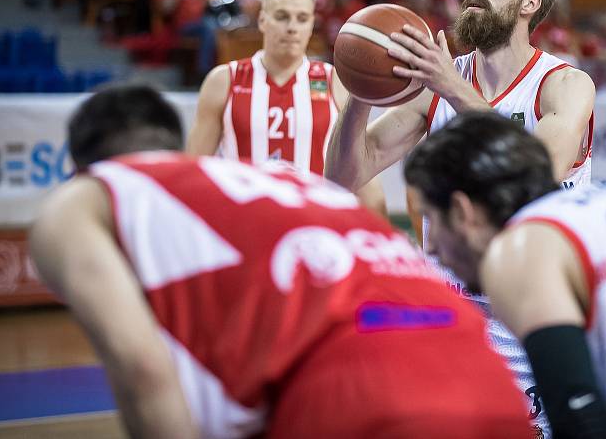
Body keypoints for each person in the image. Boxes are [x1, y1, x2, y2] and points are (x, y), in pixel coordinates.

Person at [29, 86, 534, 439]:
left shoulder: (87, 196)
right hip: (489, 380)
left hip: (367, 395)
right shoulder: (290, 183)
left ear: (79, 168)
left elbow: (142, 370)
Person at [325, 0, 597, 437]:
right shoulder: (434, 84)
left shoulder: (563, 83)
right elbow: (343, 177)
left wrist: (449, 85)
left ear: (528, 4)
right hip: (452, 309)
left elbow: (538, 165)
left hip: (531, 311)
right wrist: (361, 91)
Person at [405, 109, 606, 439]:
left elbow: (581, 421)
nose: (430, 246)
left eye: (432, 219)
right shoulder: (605, 200)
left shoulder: (517, 250)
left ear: (464, 212)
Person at [187, 0, 386, 214]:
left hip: (315, 224)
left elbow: (358, 167)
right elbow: (194, 169)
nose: (292, 27)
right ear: (262, 20)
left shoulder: (335, 81)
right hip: (244, 225)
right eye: (282, 17)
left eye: (302, 19)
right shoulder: (224, 80)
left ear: (312, 24)